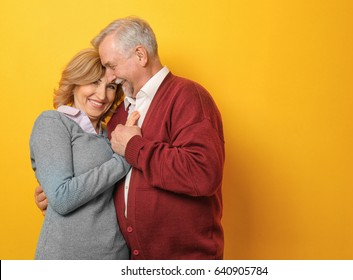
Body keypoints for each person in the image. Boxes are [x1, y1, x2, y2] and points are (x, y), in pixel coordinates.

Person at [36, 16, 225, 260]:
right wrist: (55, 191)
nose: (111, 77)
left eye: (112, 66)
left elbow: (204, 173)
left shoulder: (188, 96)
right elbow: (109, 182)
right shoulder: (119, 114)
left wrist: (134, 147)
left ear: (140, 55)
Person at [30, 48, 138, 259]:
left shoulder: (113, 133)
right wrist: (124, 157)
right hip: (65, 257)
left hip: (114, 256)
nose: (102, 94)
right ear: (76, 82)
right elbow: (62, 198)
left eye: (110, 87)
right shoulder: (53, 123)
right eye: (94, 82)